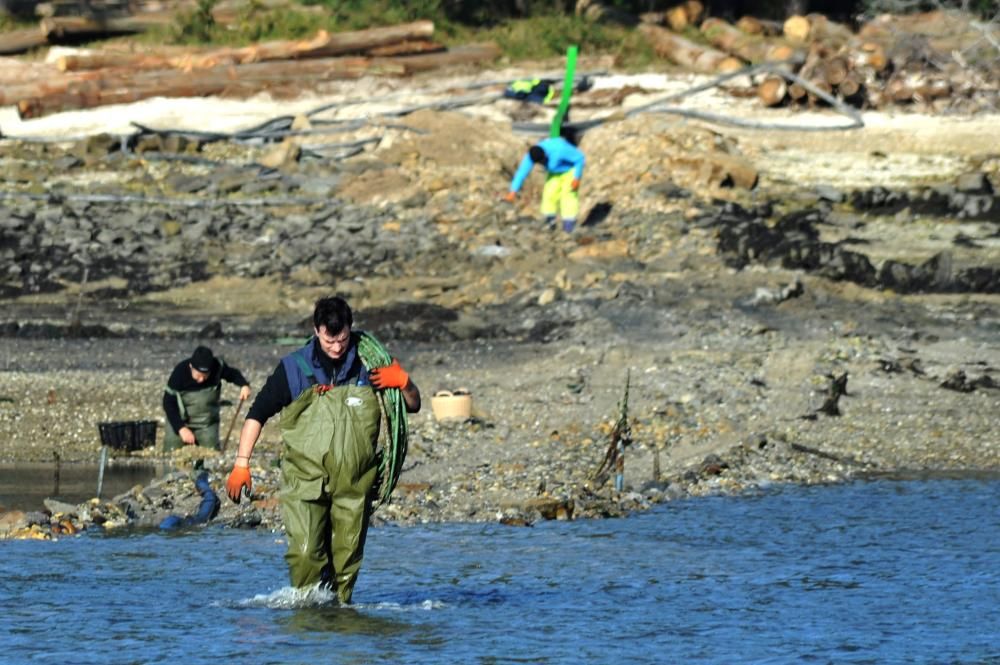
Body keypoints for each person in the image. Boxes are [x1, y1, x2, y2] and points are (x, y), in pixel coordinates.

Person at [225, 296, 420, 604]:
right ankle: (307, 629)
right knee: (305, 555)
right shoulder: (293, 369)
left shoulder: (369, 367)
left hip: (354, 485)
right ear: (316, 330)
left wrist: (404, 381)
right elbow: (257, 415)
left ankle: (340, 624)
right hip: (305, 481)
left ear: (350, 330)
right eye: (330, 340)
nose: (337, 347)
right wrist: (241, 464)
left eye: (342, 339)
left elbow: (411, 406)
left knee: (346, 565)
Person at [162, 346, 252, 451]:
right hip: (180, 421)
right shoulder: (179, 372)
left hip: (207, 424)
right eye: (198, 375)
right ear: (191, 367)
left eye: (205, 376)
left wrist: (244, 385)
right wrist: (181, 429)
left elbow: (233, 374)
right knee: (172, 453)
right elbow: (168, 402)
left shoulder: (217, 367)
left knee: (210, 454)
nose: (201, 380)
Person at [503, 134, 585, 233]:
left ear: (545, 155)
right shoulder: (531, 156)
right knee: (549, 195)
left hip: (569, 170)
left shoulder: (560, 149)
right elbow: (521, 172)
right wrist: (513, 191)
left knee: (568, 195)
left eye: (542, 161)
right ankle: (550, 223)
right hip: (554, 172)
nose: (541, 163)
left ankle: (568, 226)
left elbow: (579, 158)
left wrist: (577, 177)